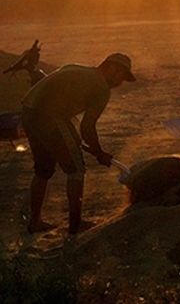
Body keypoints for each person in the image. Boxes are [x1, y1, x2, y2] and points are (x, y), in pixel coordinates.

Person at [21, 52, 136, 235]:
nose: (120, 82)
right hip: (50, 116)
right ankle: (75, 224)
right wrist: (99, 153)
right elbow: (87, 127)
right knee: (76, 170)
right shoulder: (101, 88)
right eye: (121, 76)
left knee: (43, 170)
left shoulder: (75, 66)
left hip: (28, 111)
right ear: (112, 68)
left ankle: (34, 222)